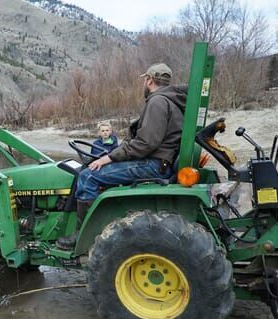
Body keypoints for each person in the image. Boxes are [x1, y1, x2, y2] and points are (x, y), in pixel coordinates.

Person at [57, 63, 187, 249]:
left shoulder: (157, 102)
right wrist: (113, 154)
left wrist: (109, 158)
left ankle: (83, 236)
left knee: (88, 176)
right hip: (159, 160)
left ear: (149, 80)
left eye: (145, 79)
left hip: (153, 163)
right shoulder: (171, 101)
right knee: (95, 170)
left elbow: (146, 143)